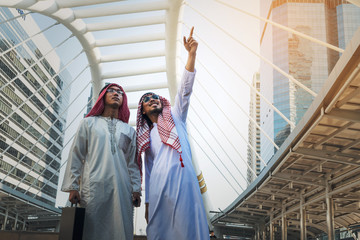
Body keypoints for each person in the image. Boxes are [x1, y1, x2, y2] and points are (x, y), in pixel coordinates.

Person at [136, 27, 209, 240]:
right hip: (159, 187)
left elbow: (185, 90)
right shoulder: (146, 137)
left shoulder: (176, 116)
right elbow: (148, 172)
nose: (153, 99)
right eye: (147, 99)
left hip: (182, 179)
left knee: (188, 226)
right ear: (143, 111)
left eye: (155, 97)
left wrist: (191, 54)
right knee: (160, 231)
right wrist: (148, 203)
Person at [61, 83, 141, 240]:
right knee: (91, 230)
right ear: (102, 96)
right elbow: (77, 154)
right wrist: (73, 187)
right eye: (111, 90)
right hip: (93, 188)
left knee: (121, 229)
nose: (116, 93)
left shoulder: (129, 131)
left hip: (122, 191)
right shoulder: (88, 123)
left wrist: (136, 189)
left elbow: (133, 163)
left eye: (120, 92)